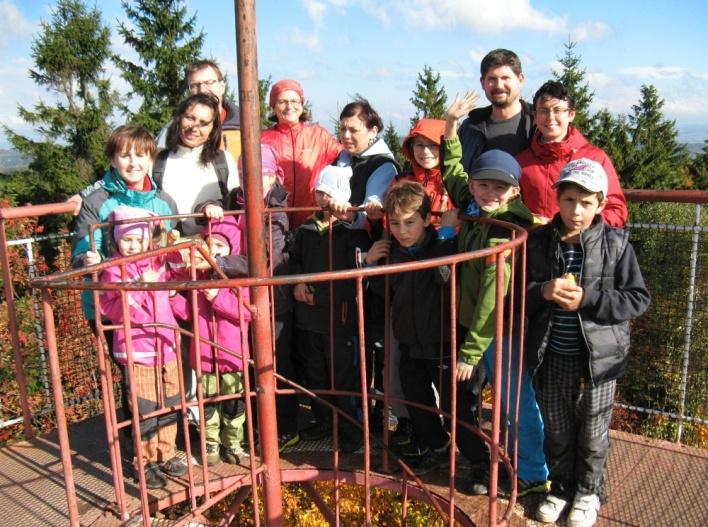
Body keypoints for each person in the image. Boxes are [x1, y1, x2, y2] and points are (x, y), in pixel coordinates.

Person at [525, 158, 650, 526]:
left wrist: (588, 299)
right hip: (552, 353)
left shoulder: (616, 244)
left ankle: (589, 491)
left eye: (585, 202)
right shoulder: (539, 242)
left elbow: (637, 298)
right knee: (558, 428)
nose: (575, 211)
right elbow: (518, 293)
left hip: (599, 358)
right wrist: (543, 290)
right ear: (557, 200)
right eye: (568, 200)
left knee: (594, 432)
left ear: (600, 204)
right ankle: (562, 486)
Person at [443, 92, 549, 496]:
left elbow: (492, 297)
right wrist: (451, 125)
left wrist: (470, 352)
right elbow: (453, 167)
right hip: (476, 324)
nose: (490, 193)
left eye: (500, 188)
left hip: (498, 328)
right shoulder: (473, 206)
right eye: (483, 184)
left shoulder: (504, 230)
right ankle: (511, 463)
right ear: (471, 186)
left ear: (514, 193)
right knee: (502, 399)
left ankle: (532, 475)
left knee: (513, 399)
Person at [364, 181, 460, 474]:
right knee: (416, 398)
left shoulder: (440, 243)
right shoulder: (393, 250)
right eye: (395, 223)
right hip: (409, 341)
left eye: (410, 223)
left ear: (426, 220)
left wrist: (444, 236)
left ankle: (478, 460)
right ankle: (438, 447)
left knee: (457, 404)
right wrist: (370, 265)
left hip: (441, 339)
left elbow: (444, 277)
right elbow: (383, 290)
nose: (402, 230)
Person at [214, 144, 301, 452]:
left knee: (276, 365)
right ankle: (256, 427)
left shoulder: (276, 209)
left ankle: (286, 426)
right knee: (250, 365)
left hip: (273, 300)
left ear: (272, 175)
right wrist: (209, 209)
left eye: (260, 174)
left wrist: (219, 263)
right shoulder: (232, 201)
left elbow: (264, 258)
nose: (252, 180)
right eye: (245, 174)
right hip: (239, 300)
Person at [99, 205, 187, 490]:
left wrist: (171, 242)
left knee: (171, 402)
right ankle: (145, 462)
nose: (134, 245)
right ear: (117, 240)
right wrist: (137, 286)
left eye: (139, 239)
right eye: (127, 240)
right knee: (146, 407)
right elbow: (111, 308)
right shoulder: (113, 270)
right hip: (138, 348)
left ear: (149, 239)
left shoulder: (156, 261)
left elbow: (178, 269)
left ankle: (166, 453)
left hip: (166, 344)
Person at [289, 165, 372, 453]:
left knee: (344, 377)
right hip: (308, 319)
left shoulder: (353, 235)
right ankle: (323, 420)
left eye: (328, 194)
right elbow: (295, 261)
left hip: (340, 318)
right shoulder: (306, 230)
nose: (322, 199)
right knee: (316, 375)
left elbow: (354, 279)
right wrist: (297, 283)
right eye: (319, 192)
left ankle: (353, 428)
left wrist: (319, 297)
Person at [172, 216, 252, 466]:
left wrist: (218, 297)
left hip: (231, 356)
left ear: (232, 250)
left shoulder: (239, 279)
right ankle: (210, 445)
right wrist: (174, 297)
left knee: (233, 406)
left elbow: (247, 312)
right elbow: (189, 313)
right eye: (210, 245)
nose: (214, 252)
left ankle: (233, 444)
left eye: (221, 247)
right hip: (205, 357)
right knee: (207, 405)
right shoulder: (199, 277)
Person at [516, 81, 628, 227]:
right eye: (543, 111)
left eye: (558, 110)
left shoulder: (596, 158)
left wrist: (580, 226)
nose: (550, 117)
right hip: (535, 246)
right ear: (535, 116)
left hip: (583, 246)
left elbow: (616, 210)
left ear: (571, 114)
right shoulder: (521, 162)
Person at [261, 79, 343, 229]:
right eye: (282, 101)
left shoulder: (318, 135)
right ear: (273, 106)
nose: (289, 106)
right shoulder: (263, 139)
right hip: (273, 222)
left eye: (294, 101)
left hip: (312, 221)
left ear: (301, 104)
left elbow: (346, 158)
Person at [157, 93, 239, 236]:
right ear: (179, 118)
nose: (194, 127)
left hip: (213, 249)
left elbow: (235, 204)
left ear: (213, 128)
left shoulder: (223, 160)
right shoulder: (157, 161)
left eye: (204, 123)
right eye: (190, 118)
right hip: (167, 248)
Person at [457, 49, 535, 173]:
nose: (499, 85)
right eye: (492, 79)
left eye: (505, 78)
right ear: (482, 83)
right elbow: (455, 174)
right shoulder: (470, 129)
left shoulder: (538, 126)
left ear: (521, 79)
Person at [332, 98, 401, 228]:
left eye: (353, 130)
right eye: (342, 129)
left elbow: (371, 211)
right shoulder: (343, 157)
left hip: (365, 243)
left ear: (373, 131)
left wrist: (350, 216)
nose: (346, 135)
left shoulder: (384, 166)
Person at [158, 59, 242, 161]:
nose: (202, 90)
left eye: (209, 82)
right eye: (195, 85)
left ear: (222, 86)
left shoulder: (246, 128)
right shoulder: (172, 131)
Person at [400, 118, 453, 215]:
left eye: (433, 145)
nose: (425, 151)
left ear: (445, 148)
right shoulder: (400, 183)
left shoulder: (455, 185)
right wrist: (373, 220)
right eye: (420, 145)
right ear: (412, 148)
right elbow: (388, 223)